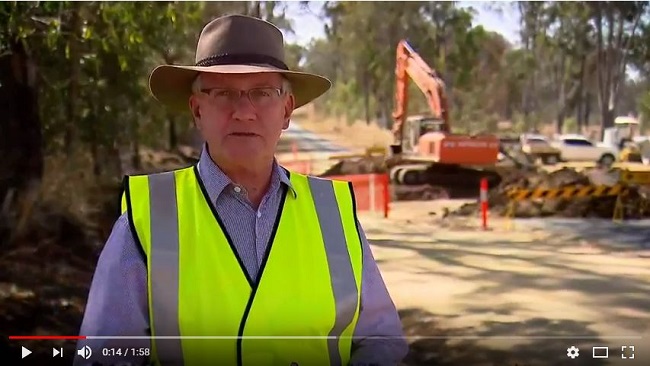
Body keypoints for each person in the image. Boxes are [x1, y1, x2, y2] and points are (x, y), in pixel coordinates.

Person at [75, 14, 408, 366]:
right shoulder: (146, 219)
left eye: (262, 93)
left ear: (286, 110)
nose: (243, 112)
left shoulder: (333, 212)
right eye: (223, 93)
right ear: (197, 109)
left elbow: (380, 339)